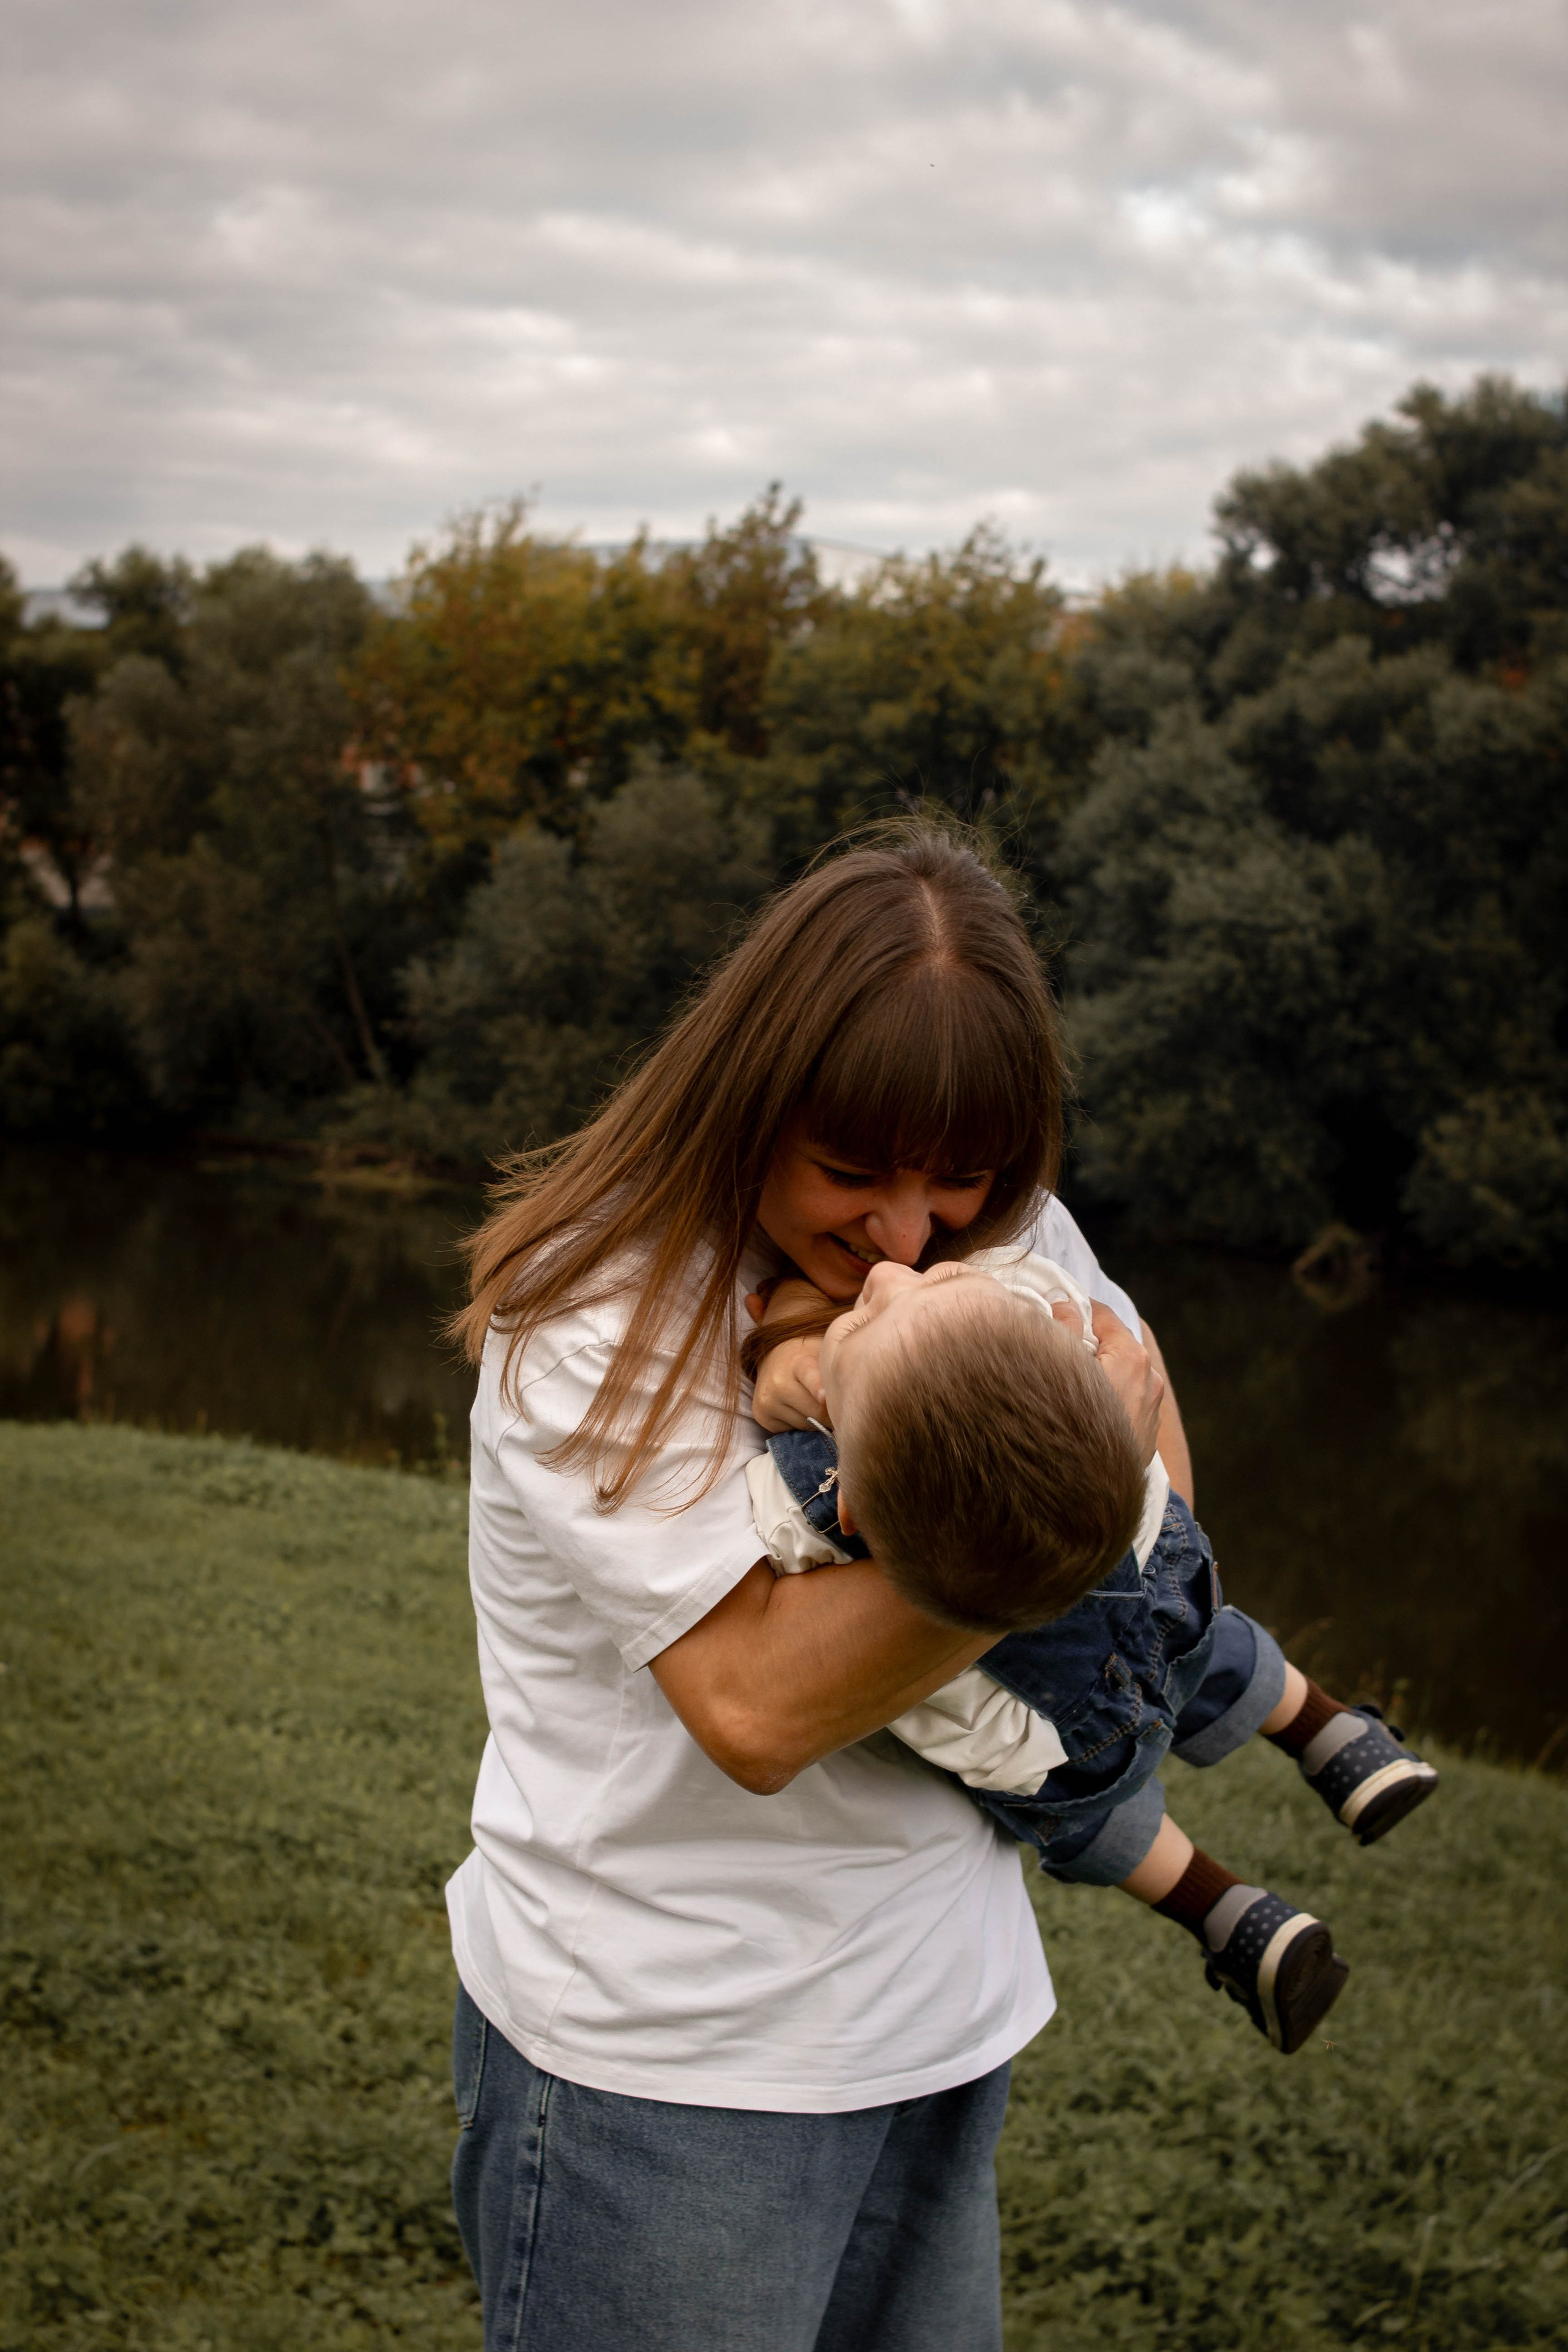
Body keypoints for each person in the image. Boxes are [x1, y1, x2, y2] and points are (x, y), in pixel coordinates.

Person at [445, 823, 1169, 2352]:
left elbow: (1160, 1492)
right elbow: (760, 1703)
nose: (905, 1238)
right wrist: (1053, 1513)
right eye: (851, 1174)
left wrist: (1093, 1479)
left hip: (939, 2013)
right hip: (666, 2067)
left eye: (955, 1187)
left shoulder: (1015, 1232)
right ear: (751, 1098)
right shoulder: (596, 1308)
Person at [743, 1248, 1439, 2056]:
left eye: (920, 1285)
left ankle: (1236, 1917)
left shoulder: (817, 1495)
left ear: (853, 1504)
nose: (885, 1274)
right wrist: (962, 1290)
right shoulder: (1047, 1314)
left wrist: (785, 1364)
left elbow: (776, 1536)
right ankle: (1339, 1739)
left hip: (1075, 1738)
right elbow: (1062, 1295)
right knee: (1185, 1629)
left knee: (1068, 1809)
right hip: (1171, 1607)